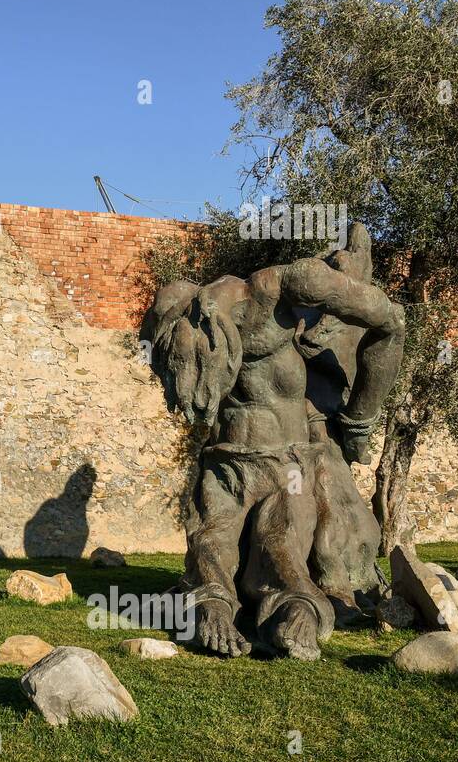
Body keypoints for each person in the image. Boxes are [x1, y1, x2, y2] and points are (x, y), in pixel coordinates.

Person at [144, 227, 404, 660]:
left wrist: (359, 420)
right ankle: (211, 609)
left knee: (280, 541)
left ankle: (296, 613)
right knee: (211, 542)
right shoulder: (173, 309)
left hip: (289, 465)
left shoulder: (298, 284)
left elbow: (392, 326)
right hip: (224, 464)